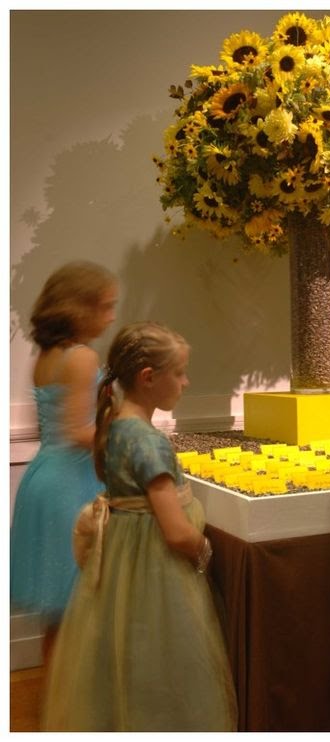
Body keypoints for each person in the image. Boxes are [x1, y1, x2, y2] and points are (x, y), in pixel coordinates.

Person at [41, 321, 238, 731]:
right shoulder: (147, 440)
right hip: (156, 569)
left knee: (124, 655)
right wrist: (205, 553)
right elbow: (175, 531)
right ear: (149, 378)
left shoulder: (115, 425)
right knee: (162, 662)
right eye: (180, 372)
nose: (187, 382)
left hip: (122, 562)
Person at [10, 260, 118, 662]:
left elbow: (53, 428)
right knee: (80, 602)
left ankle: (57, 708)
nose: (111, 317)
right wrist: (124, 433)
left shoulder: (45, 357)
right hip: (72, 484)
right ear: (80, 309)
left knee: (60, 615)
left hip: (44, 475)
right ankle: (77, 709)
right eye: (107, 307)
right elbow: (78, 431)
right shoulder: (81, 357)